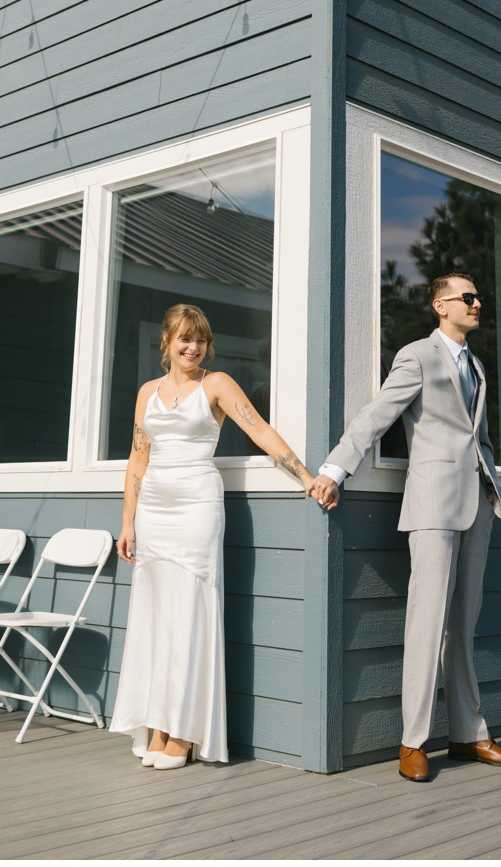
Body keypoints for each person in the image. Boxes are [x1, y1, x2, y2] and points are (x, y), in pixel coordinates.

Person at [308, 273, 501, 780]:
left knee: (462, 627)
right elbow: (377, 414)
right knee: (426, 624)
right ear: (439, 305)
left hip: (478, 504)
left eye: (479, 296)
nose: (477, 303)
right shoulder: (418, 355)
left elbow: (482, 438)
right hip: (432, 504)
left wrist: (494, 484)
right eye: (467, 297)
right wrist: (335, 468)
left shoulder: (476, 363)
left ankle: (470, 735)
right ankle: (413, 743)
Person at [112, 304, 324, 768]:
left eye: (201, 339)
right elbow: (137, 458)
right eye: (185, 338)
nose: (194, 347)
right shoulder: (148, 391)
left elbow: (259, 430)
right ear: (165, 342)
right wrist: (127, 523)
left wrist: (305, 476)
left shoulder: (217, 384)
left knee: (189, 615)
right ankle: (159, 724)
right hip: (152, 512)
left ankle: (184, 733)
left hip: (196, 509)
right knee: (157, 618)